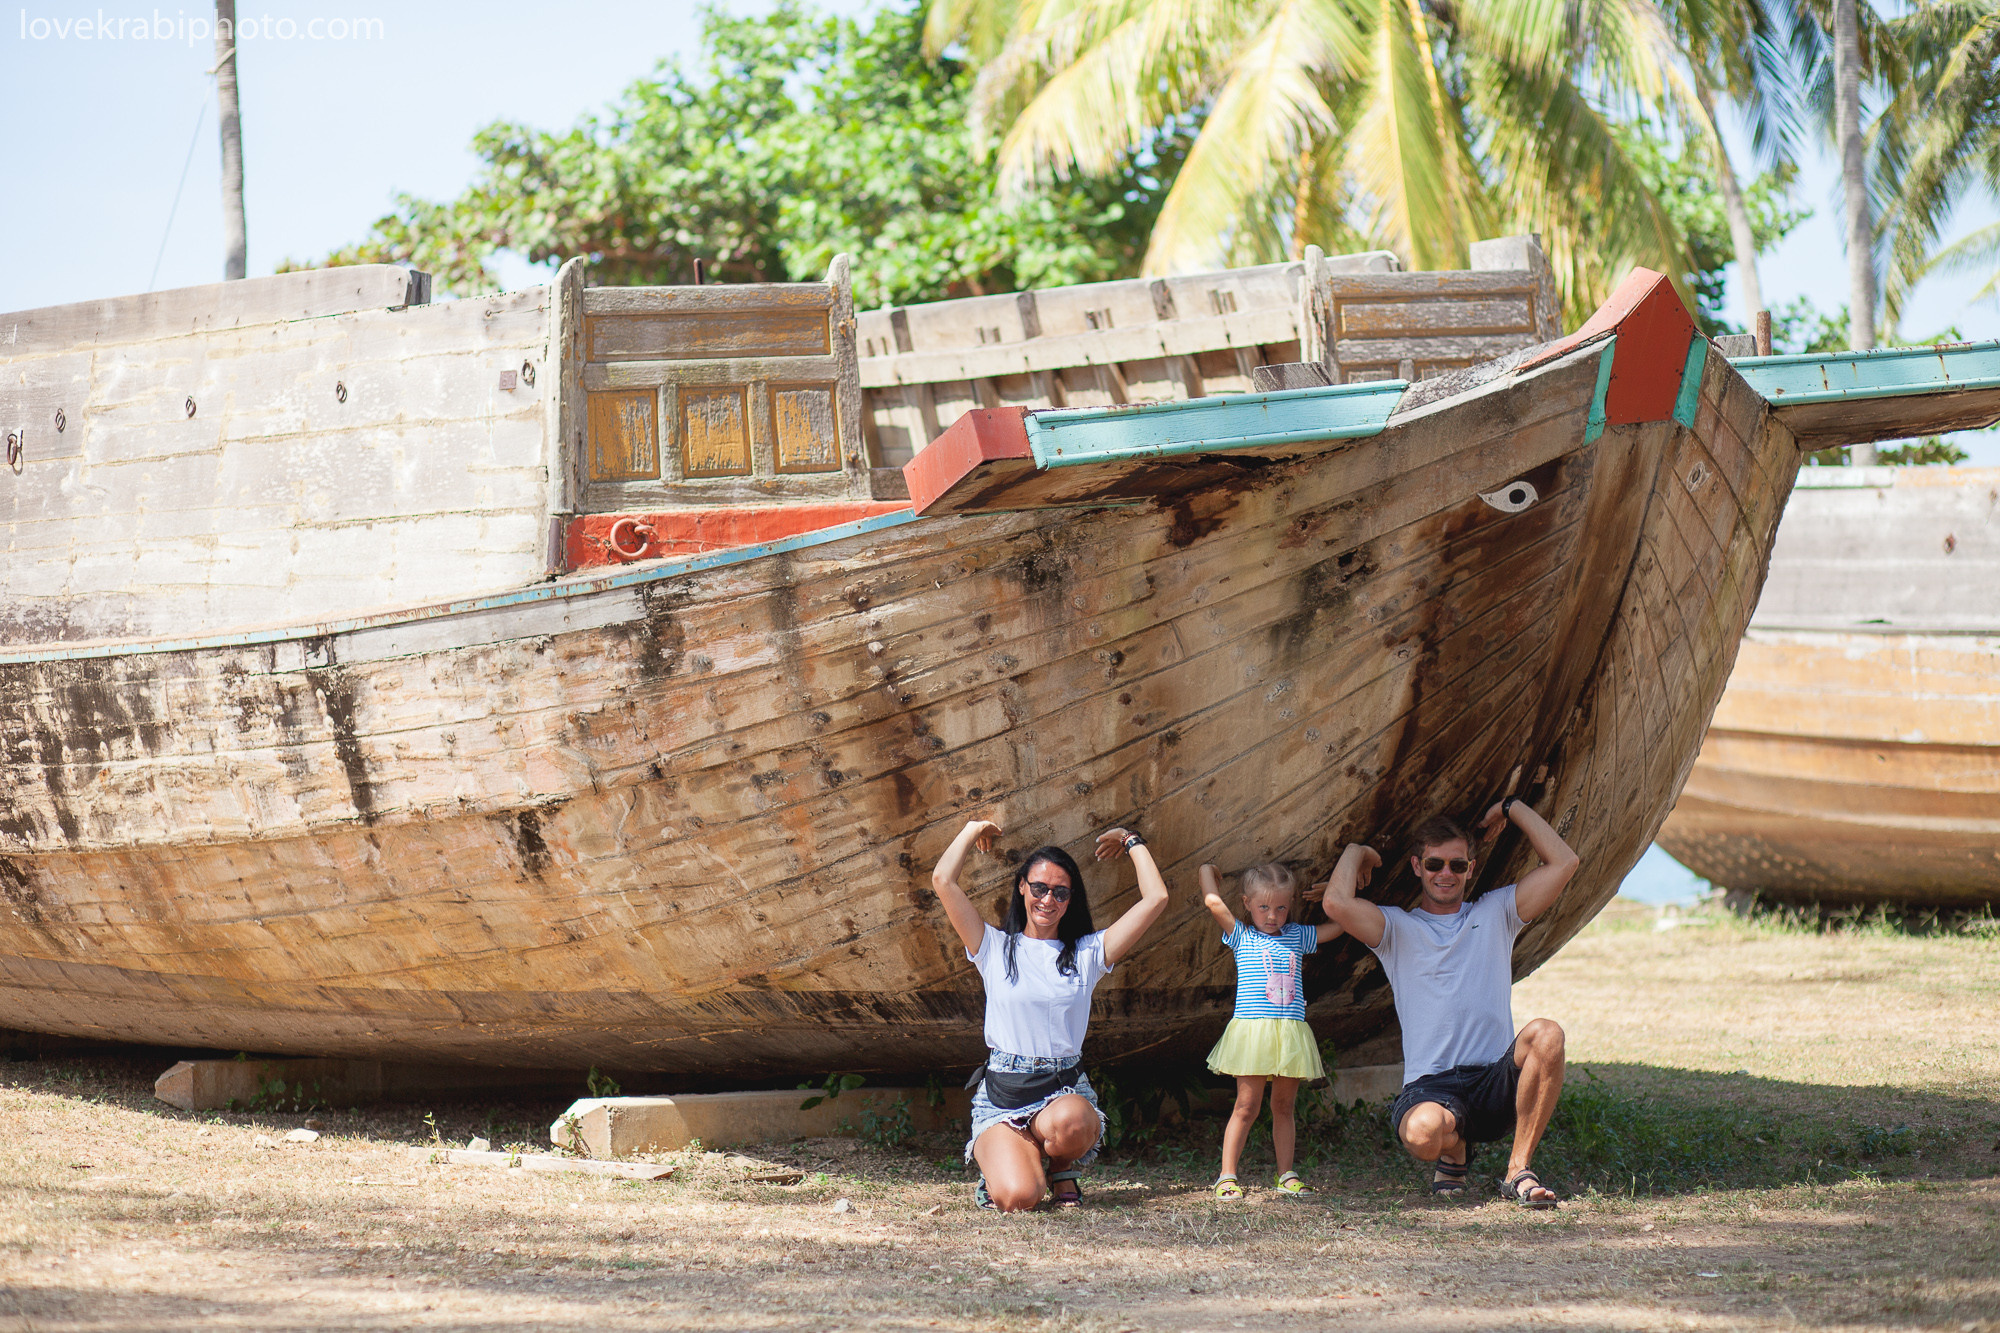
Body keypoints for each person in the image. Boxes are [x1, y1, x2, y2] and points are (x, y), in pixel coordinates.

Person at [1311, 798, 1579, 1207]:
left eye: (1457, 865)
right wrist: (1357, 851)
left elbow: (1564, 863)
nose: (1446, 874)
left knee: (1548, 1034)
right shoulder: (1397, 928)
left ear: (1470, 868)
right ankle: (1455, 1150)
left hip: (1493, 1080)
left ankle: (1518, 1170)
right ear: (1417, 866)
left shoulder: (1497, 912)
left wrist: (1511, 807)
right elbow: (1335, 904)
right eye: (1434, 864)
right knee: (1422, 1134)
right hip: (1431, 1086)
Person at [931, 817, 1172, 1212]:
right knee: (1019, 1198)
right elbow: (943, 880)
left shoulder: (1088, 953)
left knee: (1074, 1123)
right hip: (1003, 1096)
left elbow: (1156, 898)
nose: (1048, 900)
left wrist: (1131, 840)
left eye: (1060, 892)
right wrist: (973, 829)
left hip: (1062, 1090)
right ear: (1022, 887)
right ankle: (1010, 1162)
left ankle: (1062, 1168)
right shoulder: (993, 947)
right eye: (1039, 888)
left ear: (1070, 899)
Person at [1197, 862, 1346, 1200]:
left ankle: (1286, 1174)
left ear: (1290, 904)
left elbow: (1340, 925)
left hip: (1290, 1036)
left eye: (1281, 907)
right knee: (1246, 1106)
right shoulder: (1242, 936)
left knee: (1283, 1106)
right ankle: (1226, 1176)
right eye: (1263, 907)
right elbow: (1213, 903)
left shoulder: (1297, 935)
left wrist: (1334, 894)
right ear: (1247, 903)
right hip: (1253, 1035)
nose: (1272, 915)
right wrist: (1207, 869)